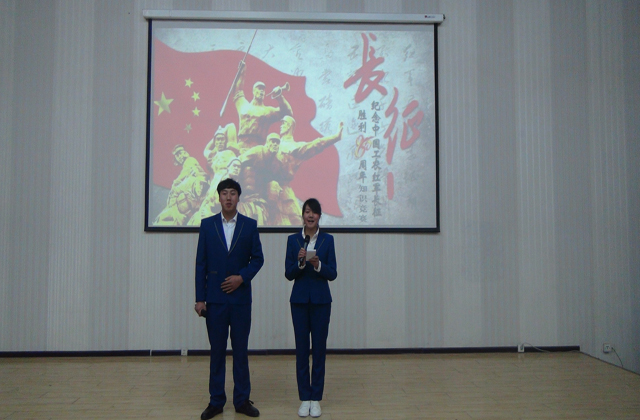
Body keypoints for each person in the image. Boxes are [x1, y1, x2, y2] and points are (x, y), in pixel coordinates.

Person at [195, 178, 264, 419]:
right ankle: (216, 401)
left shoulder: (249, 225)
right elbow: (201, 264)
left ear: (238, 197)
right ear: (218, 197)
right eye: (224, 193)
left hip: (240, 299)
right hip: (214, 300)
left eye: (232, 193)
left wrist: (241, 278)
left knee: (241, 351)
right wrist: (200, 298)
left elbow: (258, 259)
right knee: (217, 352)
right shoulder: (207, 225)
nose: (228, 197)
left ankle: (242, 400)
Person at [284, 198, 337, 418]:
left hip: (321, 302)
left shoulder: (327, 240)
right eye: (307, 211)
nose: (310, 215)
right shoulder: (293, 240)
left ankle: (316, 399)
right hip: (299, 302)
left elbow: (333, 273)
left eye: (314, 212)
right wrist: (300, 263)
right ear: (303, 215)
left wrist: (318, 265)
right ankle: (304, 398)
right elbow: (288, 274)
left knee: (319, 350)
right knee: (302, 350)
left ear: (319, 216)